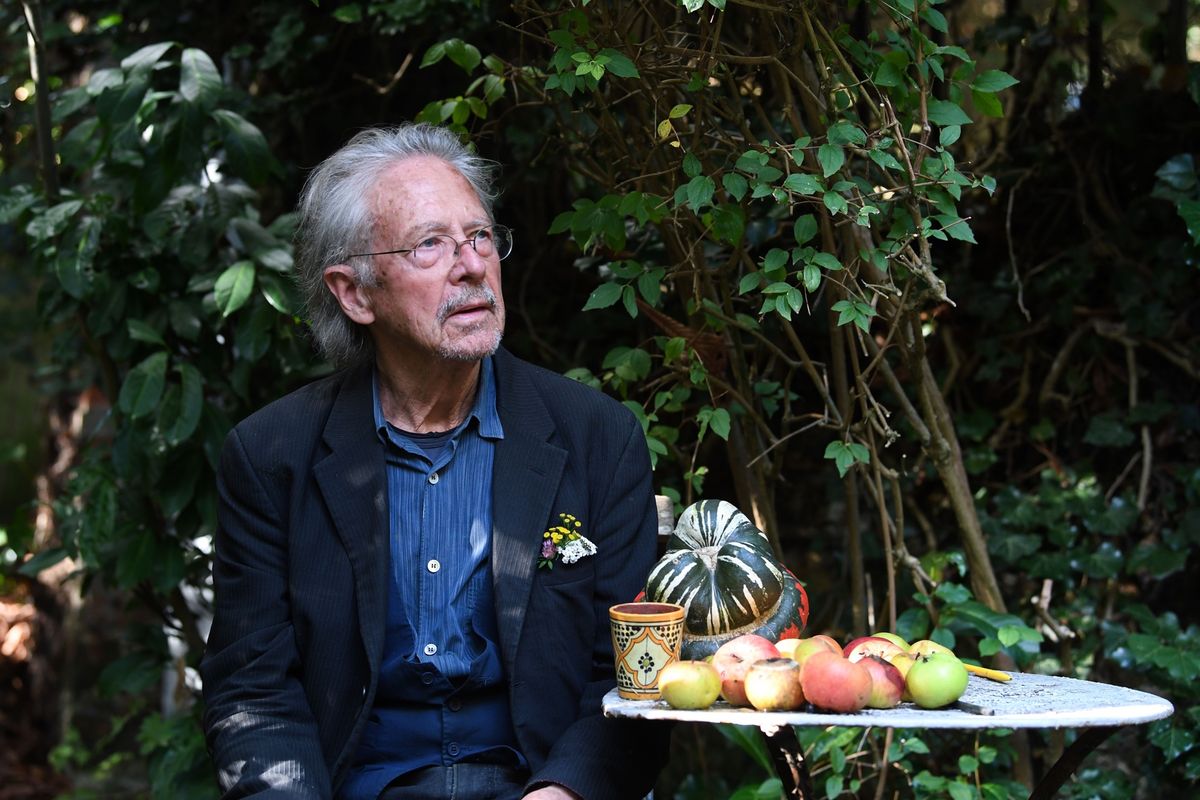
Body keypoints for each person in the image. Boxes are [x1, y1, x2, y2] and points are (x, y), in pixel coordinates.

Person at [200, 123, 668, 800]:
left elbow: (633, 678)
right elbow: (253, 689)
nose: (472, 265)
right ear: (354, 292)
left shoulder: (597, 437)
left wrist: (563, 793)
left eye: (480, 237)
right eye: (429, 245)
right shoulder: (273, 456)